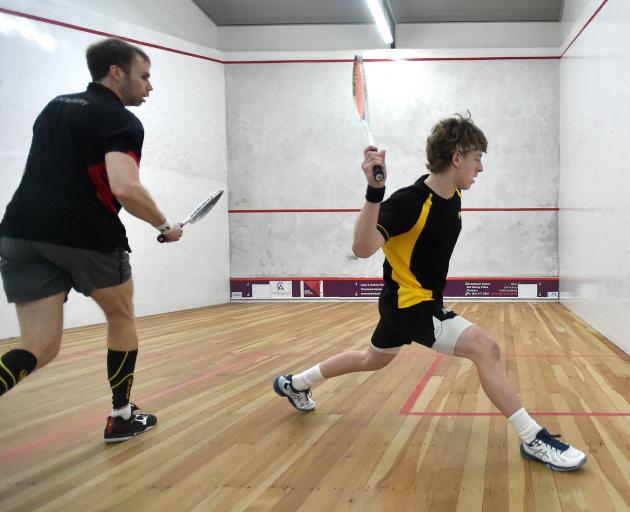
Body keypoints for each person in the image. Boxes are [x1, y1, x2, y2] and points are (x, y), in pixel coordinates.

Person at [273, 114, 587, 471]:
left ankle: (295, 383)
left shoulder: (451, 197)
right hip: (410, 305)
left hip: (404, 303)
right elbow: (362, 248)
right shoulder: (409, 202)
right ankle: (534, 439)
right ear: (457, 157)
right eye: (477, 157)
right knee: (487, 349)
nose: (481, 167)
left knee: (370, 359)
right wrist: (375, 193)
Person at [0, 37, 183, 442]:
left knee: (39, 346)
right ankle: (121, 417)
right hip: (86, 236)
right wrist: (165, 226)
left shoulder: (55, 106)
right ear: (116, 73)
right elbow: (126, 188)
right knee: (121, 318)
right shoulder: (122, 121)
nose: (149, 87)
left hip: (19, 232)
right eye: (144, 76)